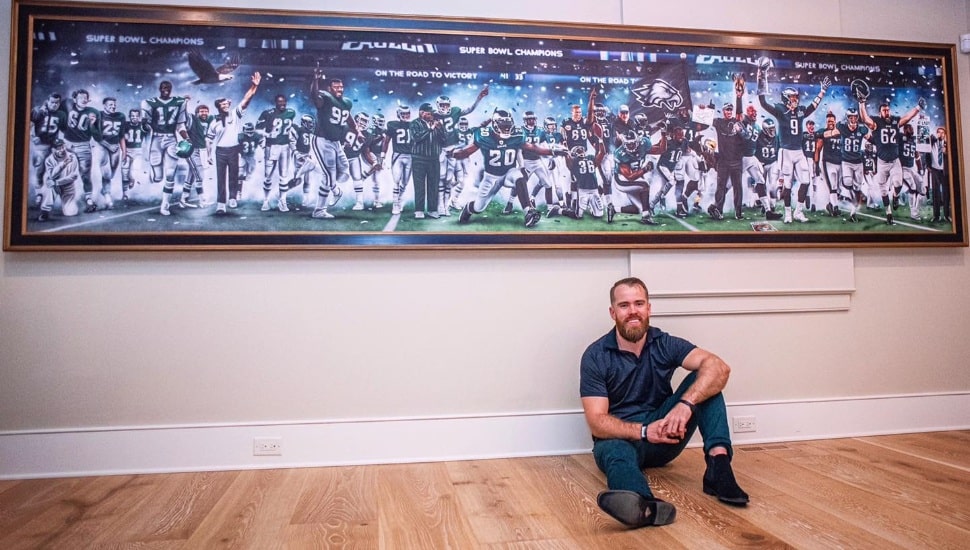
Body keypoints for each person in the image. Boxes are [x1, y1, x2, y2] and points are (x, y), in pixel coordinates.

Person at [580, 277, 749, 529]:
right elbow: (596, 422)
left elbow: (719, 368)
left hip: (666, 437)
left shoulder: (664, 343)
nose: (633, 311)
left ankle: (719, 468)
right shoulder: (596, 355)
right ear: (612, 312)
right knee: (616, 452)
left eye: (639, 303)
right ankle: (643, 504)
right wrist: (645, 431)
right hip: (621, 439)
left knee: (705, 379)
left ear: (649, 308)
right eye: (624, 305)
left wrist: (685, 405)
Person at [206, 72, 261, 214]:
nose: (226, 105)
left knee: (234, 175)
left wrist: (254, 86)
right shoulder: (213, 121)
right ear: (218, 106)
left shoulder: (234, 114)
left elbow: (246, 100)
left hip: (233, 149)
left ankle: (232, 198)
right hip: (220, 151)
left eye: (226, 103)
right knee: (220, 177)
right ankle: (220, 203)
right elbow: (209, 139)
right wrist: (209, 155)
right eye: (223, 104)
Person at [410, 103, 448, 218]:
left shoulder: (437, 123)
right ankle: (419, 210)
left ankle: (432, 210)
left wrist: (440, 129)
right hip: (419, 159)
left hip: (434, 159)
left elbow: (444, 140)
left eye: (432, 113)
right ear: (422, 113)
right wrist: (431, 129)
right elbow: (416, 138)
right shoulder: (414, 123)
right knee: (419, 185)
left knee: (433, 185)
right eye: (429, 113)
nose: (431, 115)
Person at [928, 126, 950, 223]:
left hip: (945, 171)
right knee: (936, 194)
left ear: (945, 134)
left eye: (942, 133)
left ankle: (946, 215)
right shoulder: (932, 141)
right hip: (935, 170)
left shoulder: (947, 144)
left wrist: (946, 152)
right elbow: (925, 142)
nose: (940, 134)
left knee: (946, 194)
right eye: (939, 132)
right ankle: (936, 216)